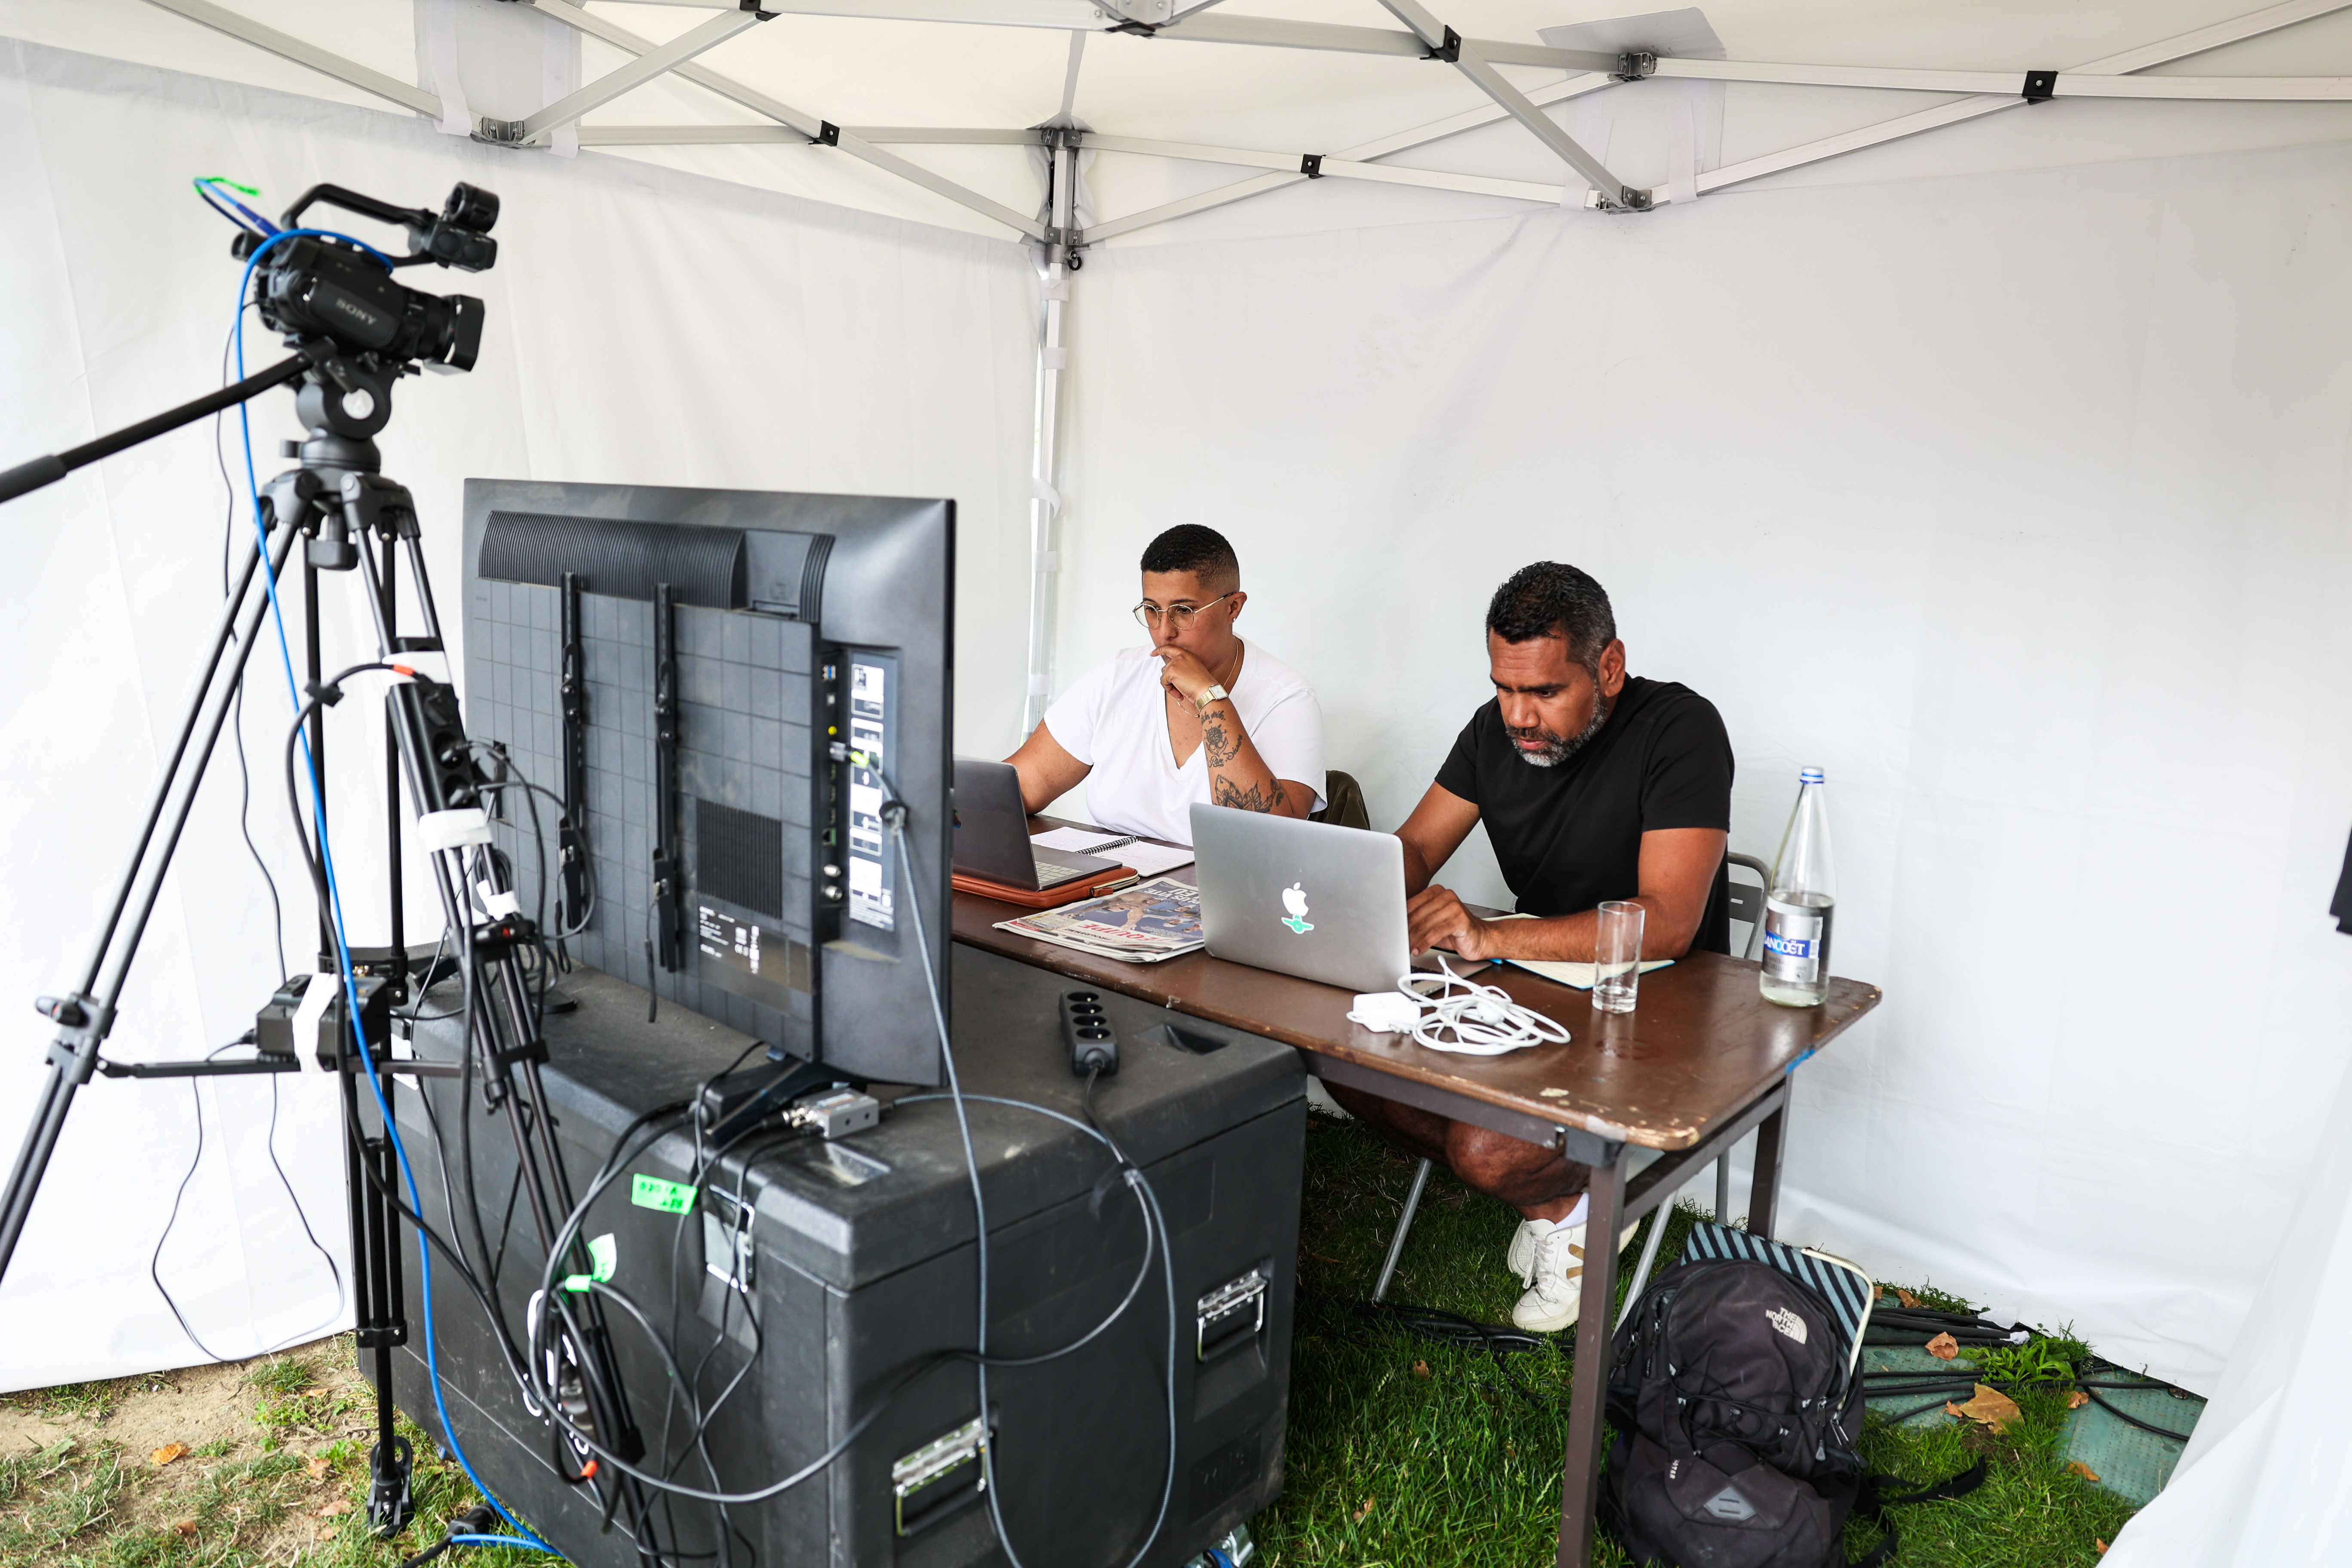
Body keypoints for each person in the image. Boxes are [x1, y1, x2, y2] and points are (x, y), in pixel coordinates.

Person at [1323, 561, 1733, 1332]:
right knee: (1344, 1060)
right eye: (1504, 688)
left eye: (1545, 692)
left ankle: (1584, 1179)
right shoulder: (1492, 729)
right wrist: (1342, 886)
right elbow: (1412, 849)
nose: (1519, 716)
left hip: (1656, 1008)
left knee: (1483, 1149)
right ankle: (1565, 1198)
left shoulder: (1680, 730)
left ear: (1608, 667)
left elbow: (1668, 920)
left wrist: (1492, 934)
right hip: (1533, 992)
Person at [1007, 525, 1324, 845]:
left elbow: (1269, 843)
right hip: (1109, 880)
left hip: (1214, 890)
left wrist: (1210, 699)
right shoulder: (1119, 675)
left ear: (1233, 608)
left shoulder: (1287, 698)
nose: (1164, 632)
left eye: (1184, 611)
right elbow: (1021, 787)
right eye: (1152, 611)